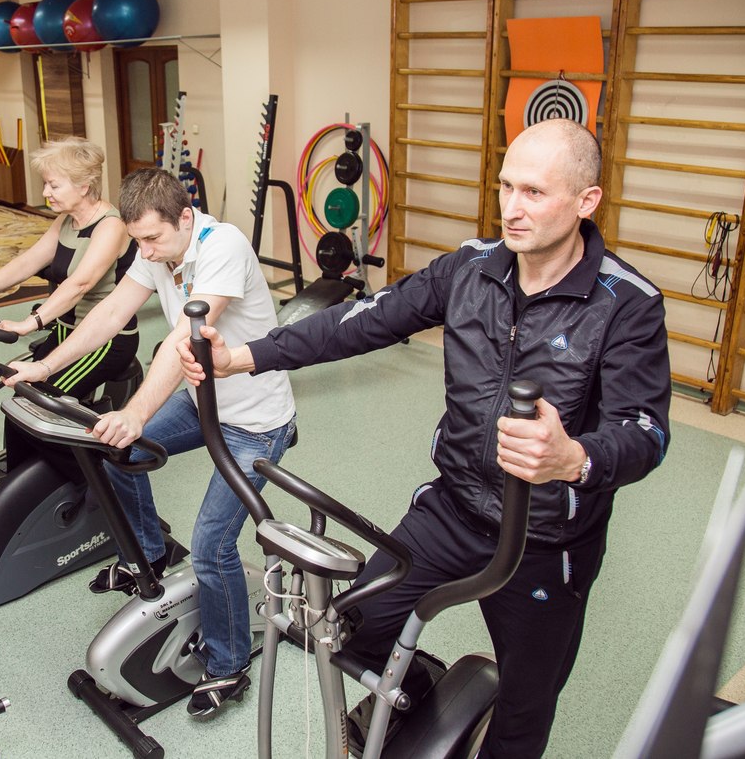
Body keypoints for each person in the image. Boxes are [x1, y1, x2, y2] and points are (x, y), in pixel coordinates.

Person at [179, 118, 672, 757]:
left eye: (534, 192)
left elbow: (644, 432)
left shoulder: (626, 302)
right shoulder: (471, 268)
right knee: (350, 630)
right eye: (506, 187)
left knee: (524, 709)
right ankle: (423, 699)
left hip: (546, 539)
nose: (512, 208)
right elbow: (362, 320)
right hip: (454, 509)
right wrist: (244, 356)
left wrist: (573, 457)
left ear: (586, 200)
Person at [5, 168, 297, 719]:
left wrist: (136, 412)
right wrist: (43, 367)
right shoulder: (156, 248)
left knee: (211, 545)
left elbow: (183, 341)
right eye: (137, 239)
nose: (144, 251)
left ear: (185, 217)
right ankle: (150, 553)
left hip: (256, 421)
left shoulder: (223, 246)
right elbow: (111, 313)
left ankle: (228, 663)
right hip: (203, 402)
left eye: (152, 238)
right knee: (117, 454)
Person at [0, 136, 138, 469]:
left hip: (106, 340)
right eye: (45, 184)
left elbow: (80, 284)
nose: (45, 193)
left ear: (83, 186)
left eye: (54, 185)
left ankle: (79, 480)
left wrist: (31, 322)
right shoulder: (66, 221)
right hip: (67, 332)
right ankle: (20, 477)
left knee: (43, 402)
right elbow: (27, 261)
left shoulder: (111, 225)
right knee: (23, 393)